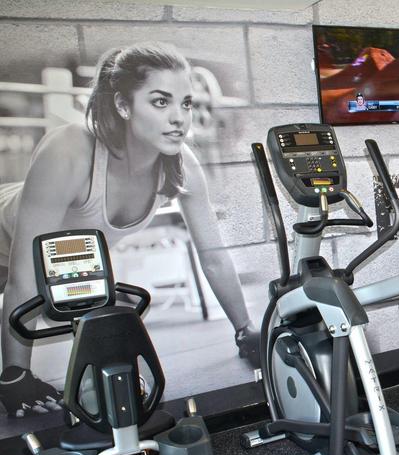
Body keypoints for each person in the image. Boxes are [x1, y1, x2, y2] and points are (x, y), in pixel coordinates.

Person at [0, 42, 259, 418]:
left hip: (42, 269)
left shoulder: (180, 162)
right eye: (160, 102)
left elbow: (214, 257)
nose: (179, 118)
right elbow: (25, 277)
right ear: (123, 105)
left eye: (185, 103)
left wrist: (245, 331)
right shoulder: (71, 148)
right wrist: (15, 375)